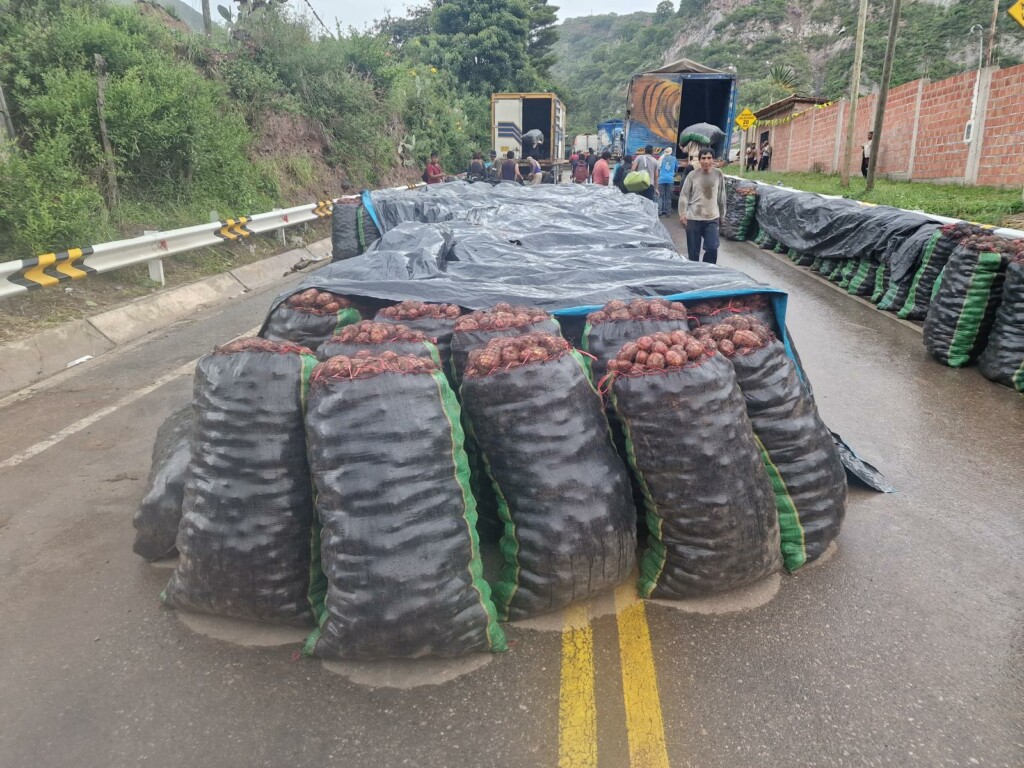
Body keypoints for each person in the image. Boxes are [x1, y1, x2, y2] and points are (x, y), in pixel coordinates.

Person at [678, 149, 727, 265]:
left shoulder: (718, 174)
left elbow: (721, 196)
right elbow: (684, 195)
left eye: (709, 158)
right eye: (703, 158)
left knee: (712, 248)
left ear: (713, 160)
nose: (706, 161)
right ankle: (694, 276)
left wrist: (722, 215)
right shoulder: (692, 175)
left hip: (711, 218)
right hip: (694, 218)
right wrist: (682, 213)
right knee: (693, 253)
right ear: (699, 160)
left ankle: (707, 272)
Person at [657, 148, 677, 216]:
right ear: (671, 152)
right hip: (670, 180)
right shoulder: (674, 159)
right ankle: (668, 212)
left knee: (660, 196)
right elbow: (676, 168)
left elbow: (658, 168)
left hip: (661, 179)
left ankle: (659, 211)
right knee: (668, 196)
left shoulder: (661, 158)